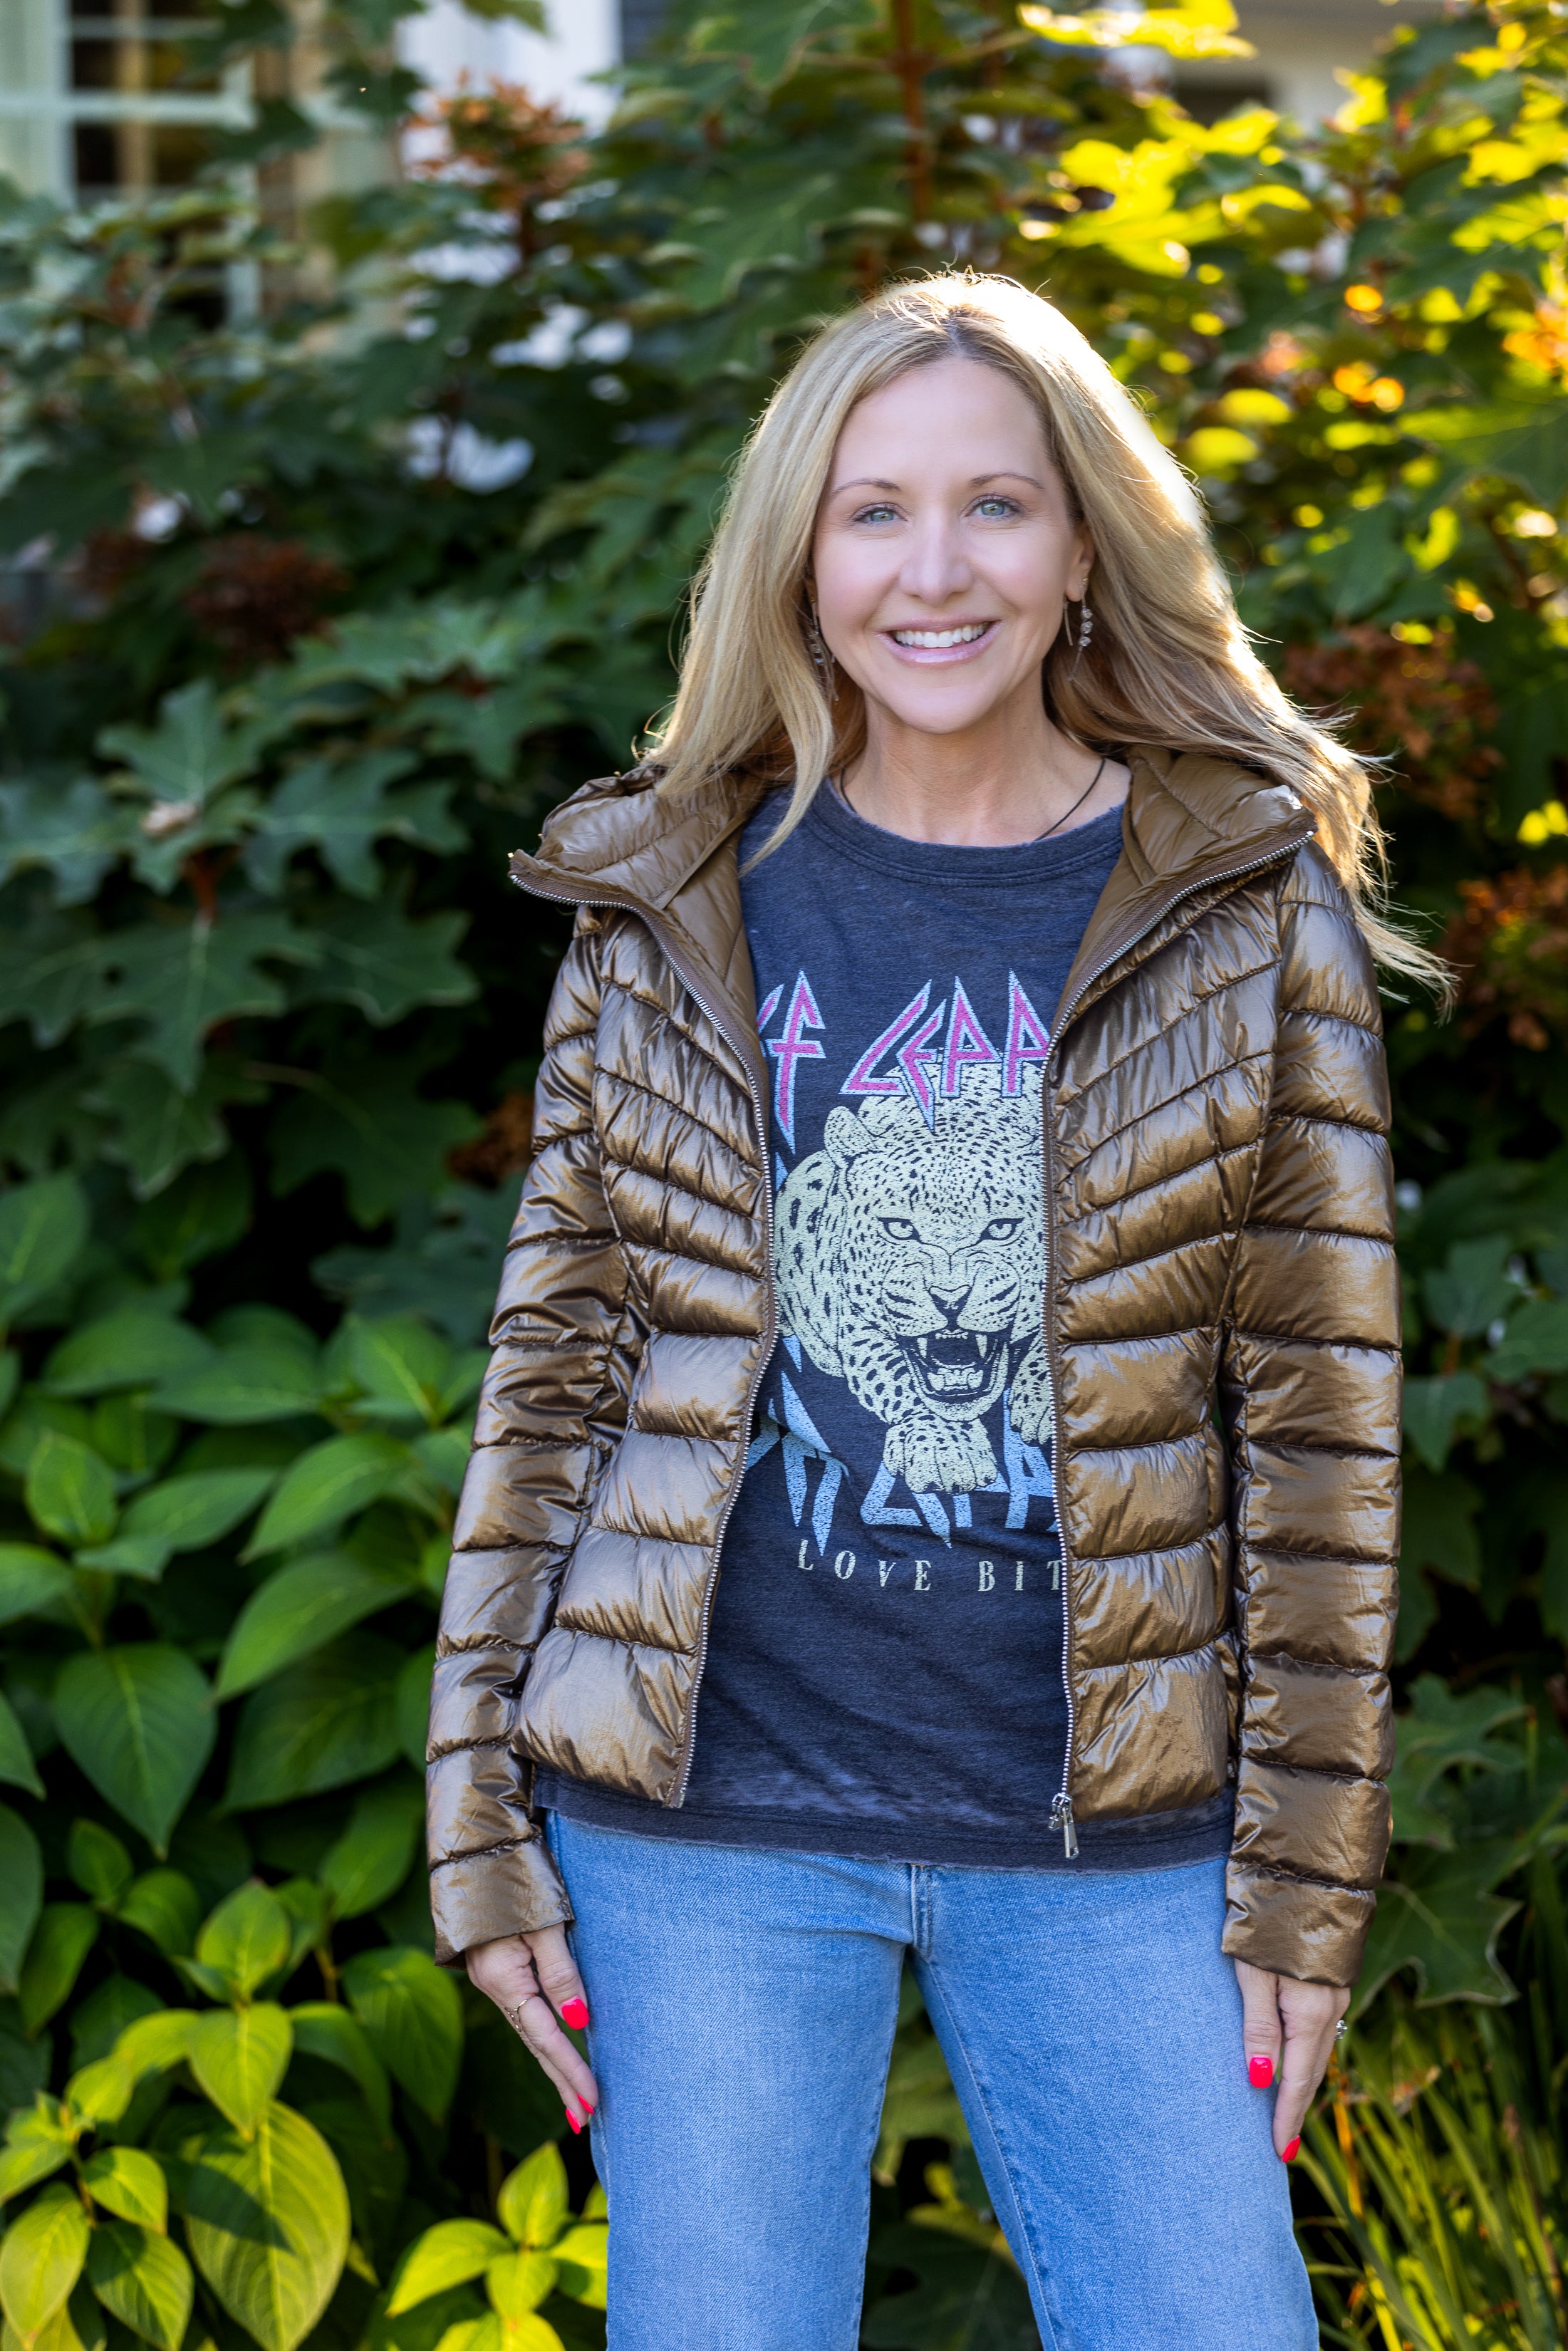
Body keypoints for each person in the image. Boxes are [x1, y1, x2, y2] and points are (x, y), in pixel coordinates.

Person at [426, 274, 1430, 2350]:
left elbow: (1320, 1424)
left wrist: (1308, 1866)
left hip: (1124, 1830)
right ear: (800, 559)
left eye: (995, 504)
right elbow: (553, 1381)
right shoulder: (668, 896)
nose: (935, 569)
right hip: (697, 1822)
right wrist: (477, 1820)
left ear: (1085, 551)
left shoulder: (1245, 905)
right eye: (873, 510)